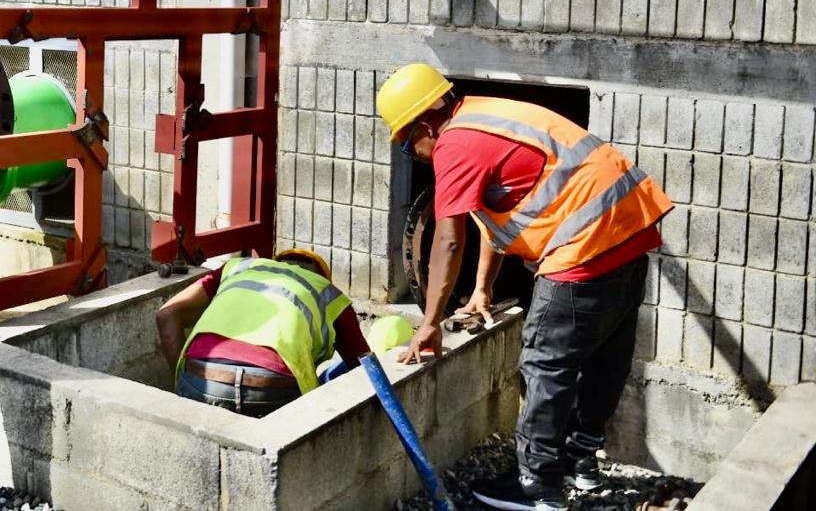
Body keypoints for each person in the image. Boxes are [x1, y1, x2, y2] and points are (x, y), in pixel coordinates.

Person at [376, 63, 673, 511]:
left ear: (424, 125)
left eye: (404, 143)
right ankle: (582, 461)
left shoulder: (454, 144)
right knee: (607, 351)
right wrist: (482, 290)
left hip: (584, 245)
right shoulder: (484, 119)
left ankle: (537, 487)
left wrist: (430, 323)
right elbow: (496, 221)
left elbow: (449, 238)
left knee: (544, 362)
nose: (411, 153)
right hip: (629, 232)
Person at [155, 248, 370, 417]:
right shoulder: (329, 294)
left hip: (201, 377)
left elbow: (166, 315)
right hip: (271, 386)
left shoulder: (237, 268)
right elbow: (367, 373)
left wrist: (185, 388)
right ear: (322, 276)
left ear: (274, 263)